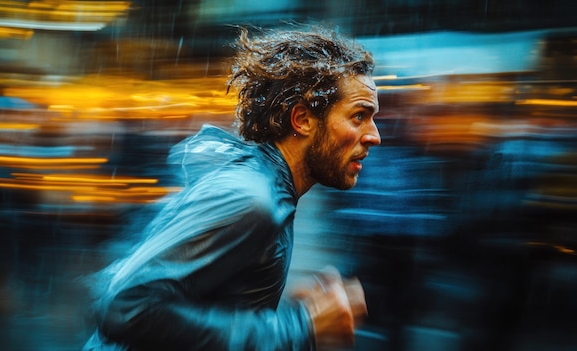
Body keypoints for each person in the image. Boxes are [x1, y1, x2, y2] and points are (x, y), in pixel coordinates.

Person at [82, 25, 381, 351]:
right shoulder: (250, 199)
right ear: (302, 120)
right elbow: (126, 307)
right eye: (359, 116)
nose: (374, 135)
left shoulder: (268, 190)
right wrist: (298, 327)